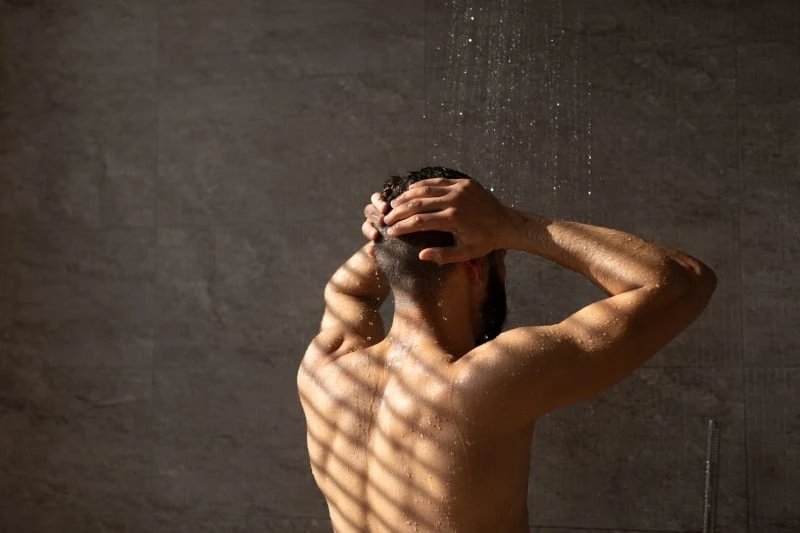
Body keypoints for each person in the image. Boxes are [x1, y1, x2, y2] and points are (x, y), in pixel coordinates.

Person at [297, 167, 717, 533]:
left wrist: (390, 225)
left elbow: (349, 290)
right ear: (476, 266)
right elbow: (681, 281)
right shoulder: (486, 378)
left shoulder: (329, 367)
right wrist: (508, 224)